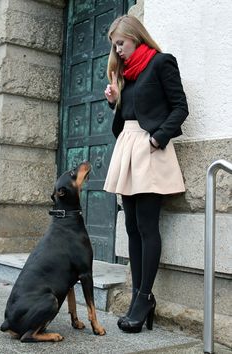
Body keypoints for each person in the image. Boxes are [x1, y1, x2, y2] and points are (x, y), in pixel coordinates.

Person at [103, 15, 188, 333]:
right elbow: (127, 116)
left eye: (120, 44)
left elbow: (180, 107)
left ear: (135, 36)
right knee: (131, 226)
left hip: (150, 149)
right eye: (115, 46)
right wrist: (114, 100)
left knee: (146, 225)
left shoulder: (161, 63)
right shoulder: (125, 74)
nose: (118, 50)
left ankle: (143, 297)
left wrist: (158, 137)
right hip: (128, 147)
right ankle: (140, 298)